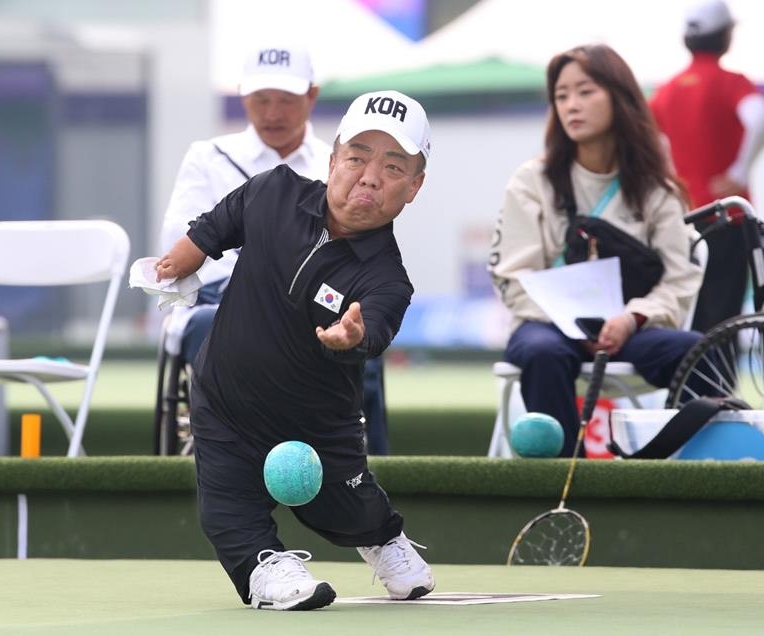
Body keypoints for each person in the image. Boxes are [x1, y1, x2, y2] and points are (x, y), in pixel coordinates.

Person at [155, 90, 434, 610]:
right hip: (225, 399)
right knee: (226, 509)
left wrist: (354, 335)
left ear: (414, 187)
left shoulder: (388, 280)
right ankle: (266, 569)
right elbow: (218, 224)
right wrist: (177, 262)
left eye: (393, 166)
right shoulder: (273, 192)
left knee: (350, 509)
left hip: (320, 425)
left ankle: (383, 538)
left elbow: (374, 327)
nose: (369, 176)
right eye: (357, 157)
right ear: (332, 160)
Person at [159, 43, 390, 454]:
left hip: (316, 299)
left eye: (285, 100)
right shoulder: (209, 157)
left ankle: (360, 465)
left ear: (312, 97)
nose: (272, 113)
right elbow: (181, 248)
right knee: (212, 325)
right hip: (221, 300)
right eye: (260, 100)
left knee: (358, 336)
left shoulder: (338, 162)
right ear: (243, 97)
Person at [488, 44, 707, 457]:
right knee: (541, 352)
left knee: (694, 349)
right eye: (562, 95)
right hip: (547, 326)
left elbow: (679, 278)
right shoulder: (532, 181)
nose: (572, 105)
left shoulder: (657, 190)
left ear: (620, 97)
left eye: (585, 92)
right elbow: (511, 275)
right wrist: (573, 322)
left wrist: (633, 317)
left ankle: (684, 469)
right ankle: (567, 479)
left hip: (626, 330)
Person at [650, 0, 764, 333]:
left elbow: (649, 140)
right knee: (724, 315)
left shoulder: (666, 91)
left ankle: (692, 384)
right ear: (725, 35)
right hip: (727, 217)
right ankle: (717, 386)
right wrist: (739, 172)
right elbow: (757, 116)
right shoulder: (731, 82)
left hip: (682, 219)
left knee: (690, 313)